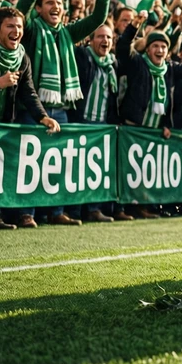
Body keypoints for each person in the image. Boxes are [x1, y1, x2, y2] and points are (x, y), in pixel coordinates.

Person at [12, 0, 111, 225]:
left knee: (60, 165)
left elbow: (98, 17)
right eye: (49, 3)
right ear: (40, 9)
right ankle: (26, 213)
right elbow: (19, 14)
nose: (55, 7)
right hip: (34, 109)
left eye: (58, 3)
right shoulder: (32, 29)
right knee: (29, 165)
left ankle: (57, 213)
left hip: (62, 111)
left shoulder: (69, 33)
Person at [0, 7, 61, 229]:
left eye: (19, 27)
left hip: (2, 124)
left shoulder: (22, 57)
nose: (16, 31)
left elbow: (29, 92)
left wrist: (43, 117)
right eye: (10, 26)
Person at [116, 19, 182, 217]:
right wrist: (133, 28)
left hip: (155, 132)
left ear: (168, 51)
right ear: (148, 49)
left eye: (163, 46)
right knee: (127, 170)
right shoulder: (137, 63)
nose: (160, 50)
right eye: (155, 46)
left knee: (146, 172)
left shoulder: (170, 69)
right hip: (134, 128)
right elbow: (122, 49)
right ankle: (122, 208)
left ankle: (143, 207)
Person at [69, 24, 123, 223]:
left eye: (108, 37)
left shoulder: (112, 64)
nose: (105, 41)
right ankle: (74, 211)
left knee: (95, 170)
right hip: (81, 121)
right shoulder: (83, 57)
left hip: (102, 125)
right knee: (75, 170)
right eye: (100, 37)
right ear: (90, 40)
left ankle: (93, 209)